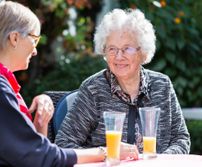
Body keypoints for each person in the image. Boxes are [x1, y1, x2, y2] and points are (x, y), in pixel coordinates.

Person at [0, 1, 109, 166]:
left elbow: (29, 152)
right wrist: (103, 152)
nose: (35, 50)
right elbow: (36, 157)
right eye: (34, 39)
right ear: (14, 38)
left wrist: (41, 123)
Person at [55, 8, 190, 155]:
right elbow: (64, 143)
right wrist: (107, 153)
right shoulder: (94, 89)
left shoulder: (162, 85)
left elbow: (181, 139)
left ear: (143, 52)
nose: (119, 56)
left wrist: (159, 162)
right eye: (112, 49)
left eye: (127, 48)